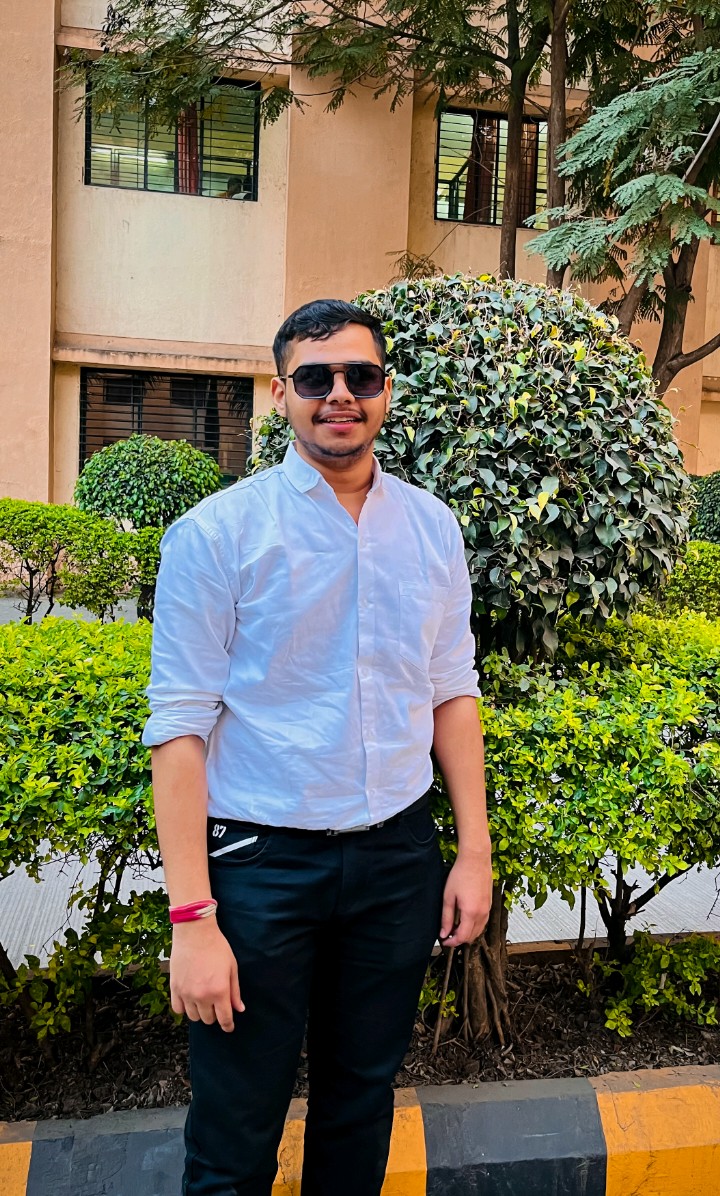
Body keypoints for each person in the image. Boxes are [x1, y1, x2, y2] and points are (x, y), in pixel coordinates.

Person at [142, 298, 493, 1196]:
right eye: (315, 377)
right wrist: (192, 920)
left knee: (360, 1107)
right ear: (280, 393)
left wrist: (473, 853)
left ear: (385, 391)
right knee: (234, 1131)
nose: (340, 394)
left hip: (397, 861)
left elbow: (452, 691)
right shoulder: (217, 534)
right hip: (261, 868)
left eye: (360, 376)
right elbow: (178, 730)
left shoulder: (432, 527)